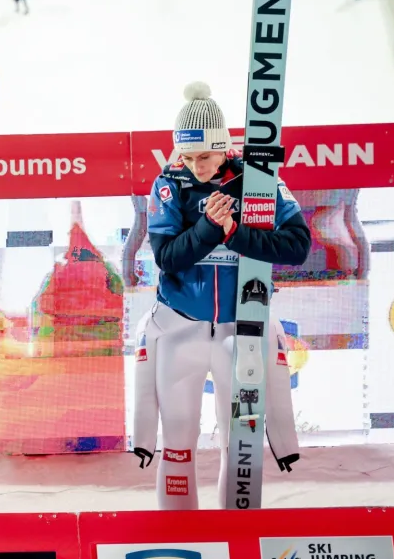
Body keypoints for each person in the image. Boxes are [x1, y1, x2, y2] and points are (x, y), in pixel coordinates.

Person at [131, 81, 310, 510]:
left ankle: (238, 535)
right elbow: (168, 259)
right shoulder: (169, 184)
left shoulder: (258, 179)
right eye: (187, 157)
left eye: (206, 156)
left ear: (224, 147)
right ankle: (182, 540)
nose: (196, 167)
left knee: (240, 442)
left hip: (240, 328)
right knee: (178, 439)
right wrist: (211, 228)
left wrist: (234, 232)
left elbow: (297, 247)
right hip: (182, 328)